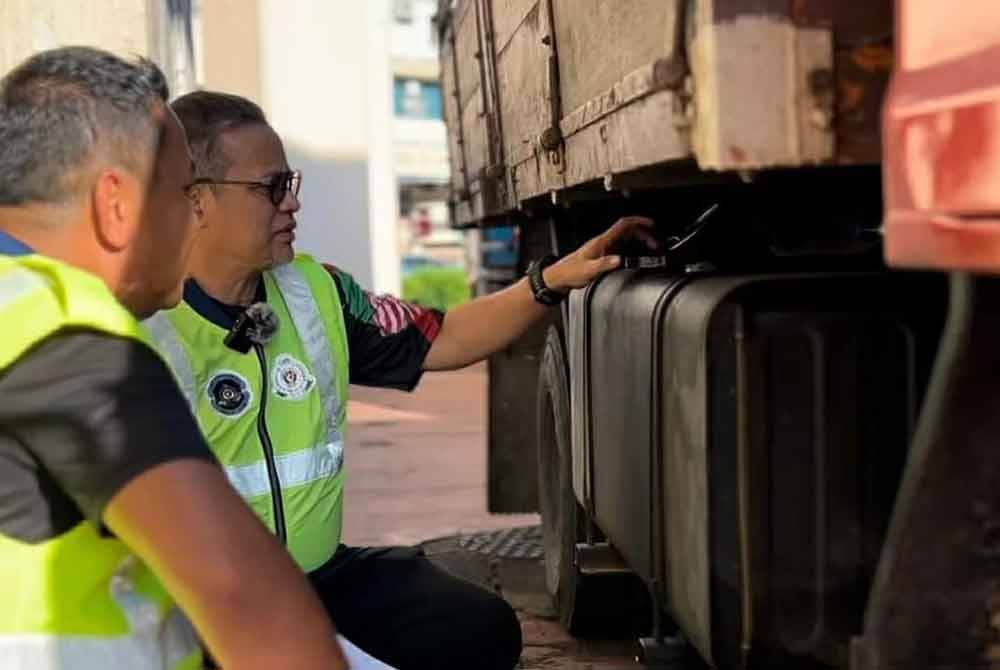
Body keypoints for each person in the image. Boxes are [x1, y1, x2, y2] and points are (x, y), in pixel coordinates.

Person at [147, 90, 656, 670]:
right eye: (272, 187)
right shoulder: (142, 328)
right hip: (204, 607)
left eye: (292, 183)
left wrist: (552, 280)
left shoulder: (317, 294)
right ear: (197, 200)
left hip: (320, 582)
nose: (292, 203)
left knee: (481, 631)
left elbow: (444, 337)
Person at [0, 48, 350, 669]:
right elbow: (242, 595)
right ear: (117, 206)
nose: (196, 218)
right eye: (186, 192)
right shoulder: (69, 341)